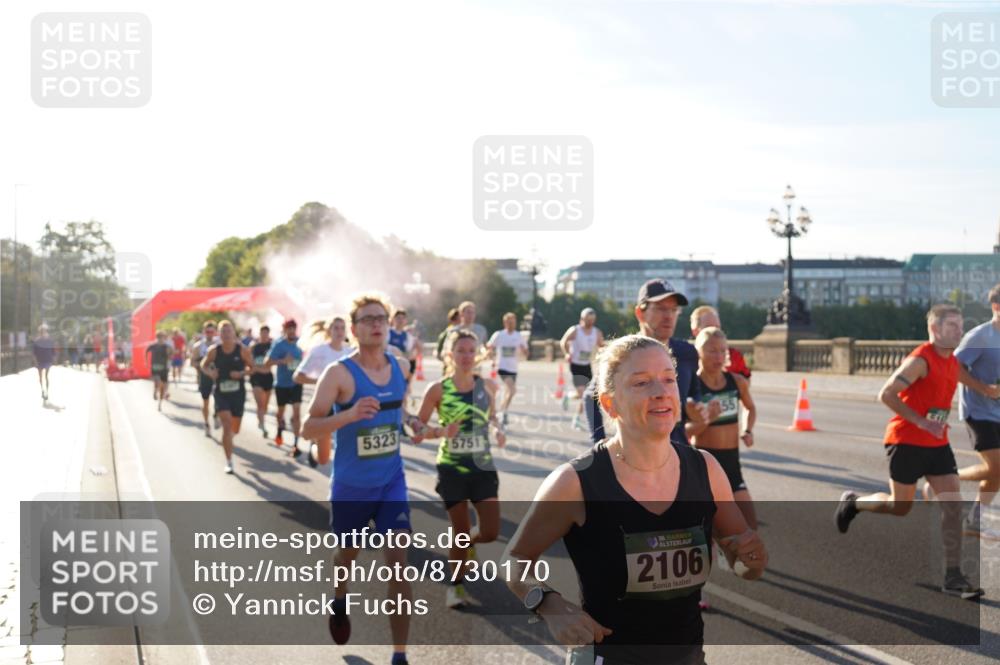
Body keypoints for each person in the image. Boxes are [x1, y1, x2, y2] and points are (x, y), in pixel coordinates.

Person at [505, 335, 767, 665]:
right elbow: (514, 558)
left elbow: (745, 562)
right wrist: (548, 604)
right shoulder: (577, 482)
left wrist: (751, 560)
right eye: (641, 382)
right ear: (610, 403)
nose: (661, 391)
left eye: (668, 379)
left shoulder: (706, 470)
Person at [835, 304, 989, 599]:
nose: (959, 331)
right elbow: (887, 393)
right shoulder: (920, 361)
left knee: (953, 506)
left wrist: (989, 390)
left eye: (960, 326)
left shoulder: (952, 361)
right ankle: (854, 503)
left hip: (937, 444)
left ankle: (953, 575)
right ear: (934, 330)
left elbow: (962, 378)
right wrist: (920, 421)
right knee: (900, 507)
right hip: (905, 441)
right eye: (952, 326)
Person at [300, 294, 420, 664]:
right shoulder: (338, 373)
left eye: (381, 317)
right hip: (351, 485)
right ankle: (340, 596)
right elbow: (308, 428)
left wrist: (415, 424)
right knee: (346, 554)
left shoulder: (399, 365)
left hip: (391, 482)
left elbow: (400, 412)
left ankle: (399, 655)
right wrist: (348, 416)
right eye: (367, 319)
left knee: (398, 563)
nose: (376, 323)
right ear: (353, 330)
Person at [413, 329, 506, 608]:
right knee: (460, 532)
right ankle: (455, 586)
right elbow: (417, 431)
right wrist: (441, 431)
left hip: (482, 467)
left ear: (477, 355)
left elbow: (493, 418)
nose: (466, 356)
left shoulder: (487, 387)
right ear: (449, 355)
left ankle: (469, 547)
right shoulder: (438, 389)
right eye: (460, 351)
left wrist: (499, 430)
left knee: (490, 531)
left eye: (470, 351)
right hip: (452, 469)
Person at [585, 279, 711, 445]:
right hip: (635, 455)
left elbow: (694, 391)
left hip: (678, 452)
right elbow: (591, 396)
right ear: (640, 313)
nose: (669, 316)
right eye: (661, 309)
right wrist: (599, 440)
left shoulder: (687, 353)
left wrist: (698, 405)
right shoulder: (622, 355)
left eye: (674, 310)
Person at [687, 327, 757, 530]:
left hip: (732, 463)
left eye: (722, 351)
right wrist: (707, 419)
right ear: (699, 352)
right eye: (712, 351)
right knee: (710, 531)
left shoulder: (737, 382)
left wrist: (747, 430)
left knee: (750, 527)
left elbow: (750, 408)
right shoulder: (692, 387)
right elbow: (684, 433)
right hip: (704, 464)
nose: (718, 357)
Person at [950, 284, 1000, 535]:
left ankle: (974, 520)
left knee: (997, 474)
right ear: (996, 307)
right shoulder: (982, 336)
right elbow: (953, 367)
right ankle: (948, 479)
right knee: (997, 467)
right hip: (978, 411)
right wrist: (984, 388)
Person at [294, 317, 354, 466]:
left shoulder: (350, 352)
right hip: (324, 404)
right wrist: (322, 382)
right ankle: (314, 447)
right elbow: (297, 376)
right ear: (329, 331)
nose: (339, 332)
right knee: (323, 457)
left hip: (344, 404)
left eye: (342, 328)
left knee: (345, 441)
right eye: (336, 328)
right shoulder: (319, 351)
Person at [201, 320, 254, 474]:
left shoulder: (242, 350)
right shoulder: (214, 350)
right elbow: (203, 365)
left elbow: (252, 368)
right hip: (221, 392)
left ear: (234, 333)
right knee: (227, 424)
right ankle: (229, 461)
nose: (226, 334)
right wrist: (210, 373)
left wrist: (241, 373)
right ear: (219, 334)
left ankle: (229, 438)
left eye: (229, 331)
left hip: (238, 393)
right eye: (223, 332)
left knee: (235, 429)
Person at [561, 308, 605, 431]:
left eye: (592, 320)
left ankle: (569, 399)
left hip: (586, 366)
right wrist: (566, 353)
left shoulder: (596, 332)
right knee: (583, 394)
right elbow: (563, 341)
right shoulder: (575, 330)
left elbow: (601, 345)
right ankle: (577, 419)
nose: (590, 323)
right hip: (575, 365)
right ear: (582, 319)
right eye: (587, 320)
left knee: (586, 394)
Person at [486, 312, 530, 427]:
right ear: (505, 323)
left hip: (513, 368)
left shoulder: (518, 336)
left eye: (513, 322)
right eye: (509, 322)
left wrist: (525, 351)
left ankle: (502, 411)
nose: (511, 324)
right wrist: (492, 359)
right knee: (512, 390)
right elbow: (489, 347)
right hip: (502, 367)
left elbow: (526, 350)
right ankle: (503, 412)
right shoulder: (499, 335)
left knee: (508, 392)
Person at [266, 319, 304, 450]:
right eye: (289, 328)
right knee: (280, 413)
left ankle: (296, 444)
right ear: (285, 329)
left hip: (296, 383)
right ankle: (279, 430)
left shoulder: (301, 343)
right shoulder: (279, 344)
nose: (292, 330)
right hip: (282, 384)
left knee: (297, 413)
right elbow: (267, 363)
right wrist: (283, 361)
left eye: (293, 328)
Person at [689, 305, 751, 380]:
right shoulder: (686, 359)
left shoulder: (734, 356)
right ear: (695, 331)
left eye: (717, 327)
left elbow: (746, 382)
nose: (714, 331)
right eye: (709, 328)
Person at [190, 321, 219, 437]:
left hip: (217, 377)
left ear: (215, 332)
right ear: (204, 332)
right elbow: (192, 362)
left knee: (219, 400)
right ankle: (207, 424)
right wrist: (202, 365)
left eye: (212, 331)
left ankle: (216, 415)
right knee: (206, 402)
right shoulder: (198, 346)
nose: (209, 334)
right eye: (207, 331)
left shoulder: (219, 344)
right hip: (204, 377)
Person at [249, 325, 275, 439]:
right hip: (256, 377)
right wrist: (256, 368)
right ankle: (263, 425)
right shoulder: (254, 347)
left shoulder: (272, 346)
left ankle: (261, 419)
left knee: (265, 405)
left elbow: (274, 361)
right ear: (259, 334)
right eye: (262, 333)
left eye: (266, 333)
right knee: (260, 403)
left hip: (268, 377)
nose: (264, 335)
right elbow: (249, 362)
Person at [145, 331, 173, 411]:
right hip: (155, 367)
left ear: (164, 338)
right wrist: (146, 362)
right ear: (157, 338)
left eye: (162, 337)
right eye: (159, 337)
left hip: (164, 368)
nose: (160, 339)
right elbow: (146, 352)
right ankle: (155, 391)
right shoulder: (153, 346)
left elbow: (172, 354)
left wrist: (170, 355)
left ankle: (160, 403)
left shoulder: (167, 346)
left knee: (163, 386)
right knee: (157, 382)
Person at [32, 324, 57, 401]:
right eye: (42, 331)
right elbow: (34, 353)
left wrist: (54, 359)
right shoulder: (37, 341)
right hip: (39, 361)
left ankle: (47, 392)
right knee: (40, 377)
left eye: (44, 331)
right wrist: (35, 361)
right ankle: (42, 390)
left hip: (47, 360)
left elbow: (53, 351)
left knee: (46, 376)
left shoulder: (50, 340)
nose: (43, 332)